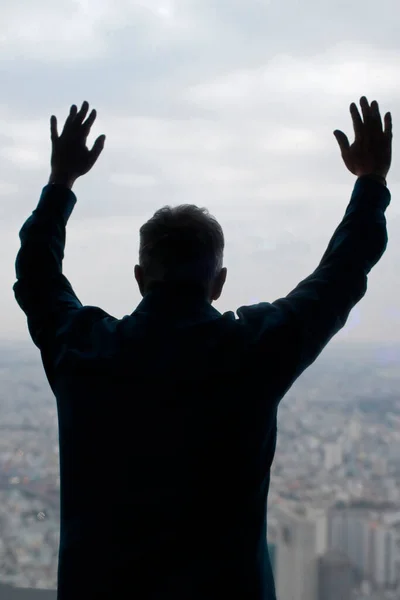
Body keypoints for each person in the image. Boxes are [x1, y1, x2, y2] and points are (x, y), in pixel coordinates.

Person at [13, 96, 392, 600]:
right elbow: (341, 274)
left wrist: (61, 181)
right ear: (219, 282)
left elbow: (36, 273)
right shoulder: (252, 352)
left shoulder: (83, 350)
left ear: (140, 277)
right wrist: (371, 180)